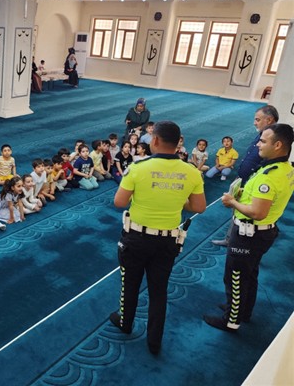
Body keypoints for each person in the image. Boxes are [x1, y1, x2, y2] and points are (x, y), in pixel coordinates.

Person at [109, 120, 206, 354]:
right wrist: (176, 200)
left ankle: (125, 323)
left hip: (136, 238)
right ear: (178, 142)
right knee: (159, 290)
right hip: (167, 240)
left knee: (130, 284)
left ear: (154, 140)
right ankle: (154, 340)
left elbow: (119, 202)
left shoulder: (138, 167)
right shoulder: (192, 171)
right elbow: (198, 207)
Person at [204, 124, 293, 332]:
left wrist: (232, 202)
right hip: (264, 232)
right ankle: (243, 311)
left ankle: (231, 320)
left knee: (235, 277)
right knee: (249, 273)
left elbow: (257, 212)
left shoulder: (268, 176)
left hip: (249, 234)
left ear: (278, 145)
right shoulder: (286, 169)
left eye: (263, 141)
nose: (258, 144)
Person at [212, 105, 279, 246]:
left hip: (253, 183)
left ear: (269, 120)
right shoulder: (262, 133)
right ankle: (231, 239)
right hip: (244, 179)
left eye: (257, 119)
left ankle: (237, 242)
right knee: (237, 211)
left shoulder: (273, 139)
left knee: (245, 212)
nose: (254, 123)